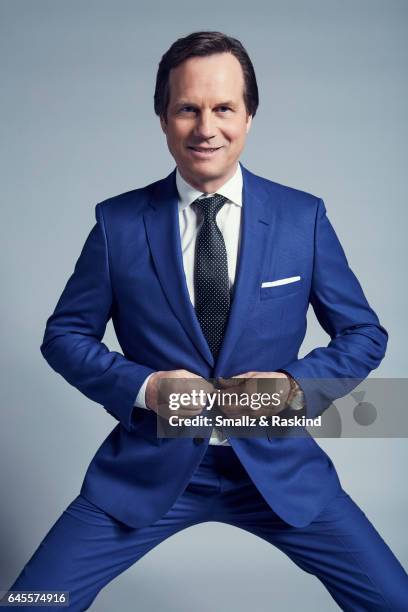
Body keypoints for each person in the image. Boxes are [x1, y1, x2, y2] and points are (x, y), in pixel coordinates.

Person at [7, 30, 408, 611]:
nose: (206, 127)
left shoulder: (303, 218)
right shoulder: (118, 225)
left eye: (224, 107)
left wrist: (296, 388)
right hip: (149, 473)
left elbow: (364, 334)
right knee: (31, 604)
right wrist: (145, 389)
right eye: (187, 109)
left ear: (249, 116)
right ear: (163, 119)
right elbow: (64, 336)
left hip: (278, 472)